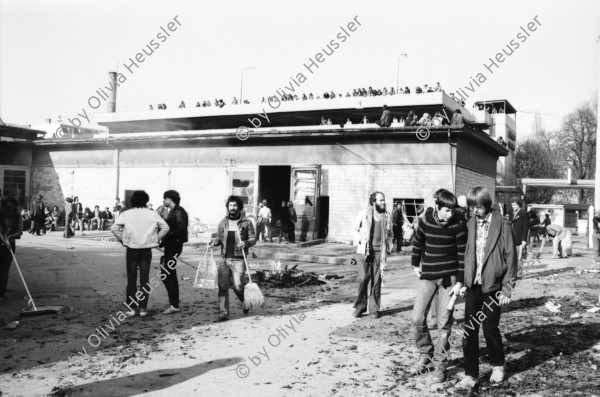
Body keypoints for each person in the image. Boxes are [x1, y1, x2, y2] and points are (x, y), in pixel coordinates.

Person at [455, 187, 518, 390]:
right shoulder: (471, 223)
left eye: (478, 207)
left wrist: (508, 288)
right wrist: (464, 281)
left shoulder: (502, 224)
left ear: (487, 205)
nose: (475, 210)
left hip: (494, 285)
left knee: (490, 328)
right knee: (469, 330)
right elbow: (467, 254)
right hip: (474, 284)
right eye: (472, 207)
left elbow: (511, 256)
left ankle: (498, 365)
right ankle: (470, 374)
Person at [409, 190, 467, 383]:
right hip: (428, 275)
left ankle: (440, 365)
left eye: (452, 210)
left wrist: (460, 281)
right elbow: (418, 242)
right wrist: (414, 263)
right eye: (446, 211)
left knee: (444, 324)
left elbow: (462, 255)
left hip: (449, 280)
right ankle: (426, 353)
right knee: (417, 318)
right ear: (437, 207)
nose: (449, 215)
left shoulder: (458, 224)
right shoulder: (426, 222)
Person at [111, 190, 169, 317]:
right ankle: (143, 309)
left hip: (131, 248)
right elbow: (165, 227)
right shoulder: (152, 214)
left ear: (133, 201)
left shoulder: (126, 214)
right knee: (144, 279)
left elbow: (114, 228)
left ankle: (131, 308)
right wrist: (156, 239)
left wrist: (123, 239)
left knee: (131, 279)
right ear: (146, 200)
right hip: (146, 249)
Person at [210, 195, 256, 322]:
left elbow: (253, 239)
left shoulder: (246, 223)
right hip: (224, 259)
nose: (232, 208)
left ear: (239, 207)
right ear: (228, 207)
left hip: (239, 259)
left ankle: (246, 302)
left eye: (235, 205)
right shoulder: (223, 222)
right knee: (223, 286)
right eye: (230, 205)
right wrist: (215, 242)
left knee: (238, 286)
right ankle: (223, 313)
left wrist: (246, 243)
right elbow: (219, 238)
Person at [350, 192, 393, 319]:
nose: (384, 202)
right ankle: (360, 307)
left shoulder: (387, 216)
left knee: (376, 282)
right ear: (374, 202)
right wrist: (360, 239)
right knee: (363, 279)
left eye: (384, 200)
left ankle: (374, 309)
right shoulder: (364, 214)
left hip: (380, 253)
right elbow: (353, 229)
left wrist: (390, 245)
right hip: (364, 252)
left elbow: (391, 234)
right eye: (381, 200)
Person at [159, 190, 189, 314]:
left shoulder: (179, 211)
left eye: (164, 199)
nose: (163, 201)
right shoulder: (173, 211)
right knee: (170, 274)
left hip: (175, 246)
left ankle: (174, 304)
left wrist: (166, 237)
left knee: (166, 274)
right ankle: (174, 303)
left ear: (170, 199)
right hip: (171, 246)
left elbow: (180, 229)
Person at [0, 196, 24, 302]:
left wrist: (9, 238)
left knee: (4, 271)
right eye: (8, 207)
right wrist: (4, 240)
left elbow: (20, 231)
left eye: (12, 207)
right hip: (1, 242)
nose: (11, 209)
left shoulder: (17, 215)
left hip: (10, 245)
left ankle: (0, 295)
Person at [509, 197, 529, 266]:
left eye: (514, 205)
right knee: (513, 257)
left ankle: (519, 274)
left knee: (519, 257)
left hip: (520, 239)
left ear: (518, 204)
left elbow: (525, 227)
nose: (513, 207)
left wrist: (524, 240)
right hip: (513, 239)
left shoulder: (524, 213)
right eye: (512, 205)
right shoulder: (513, 214)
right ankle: (514, 274)